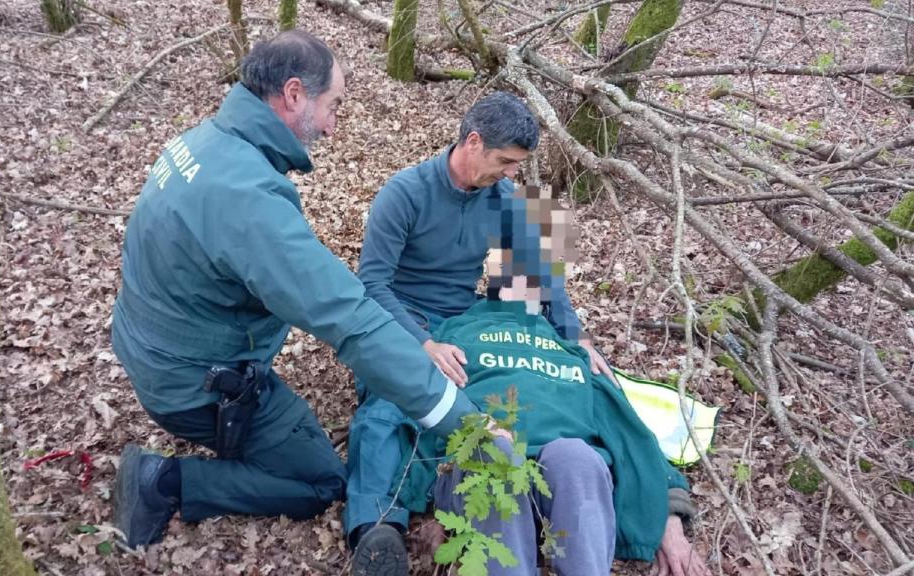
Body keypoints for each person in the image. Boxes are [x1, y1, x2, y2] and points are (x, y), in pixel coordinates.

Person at [110, 30, 478, 549]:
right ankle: (163, 482)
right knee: (321, 480)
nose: (332, 126)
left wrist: (567, 325)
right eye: (333, 105)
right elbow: (353, 311)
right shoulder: (398, 191)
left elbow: (542, 262)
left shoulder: (204, 141)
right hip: (191, 381)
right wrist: (462, 420)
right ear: (293, 94)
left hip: (149, 343)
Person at [345, 93, 614, 575]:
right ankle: (377, 523)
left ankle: (534, 478)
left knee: (516, 376)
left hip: (464, 319)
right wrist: (421, 344)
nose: (511, 173)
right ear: (472, 142)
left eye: (518, 165)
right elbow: (371, 284)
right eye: (504, 161)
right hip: (400, 319)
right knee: (387, 404)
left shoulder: (510, 199)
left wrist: (577, 338)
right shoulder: (404, 192)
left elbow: (543, 281)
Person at [426, 274, 712, 576]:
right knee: (496, 450)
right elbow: (423, 403)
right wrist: (418, 504)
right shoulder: (453, 334)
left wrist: (667, 515)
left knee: (576, 456)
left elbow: (628, 432)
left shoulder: (573, 350)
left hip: (565, 482)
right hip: (484, 475)